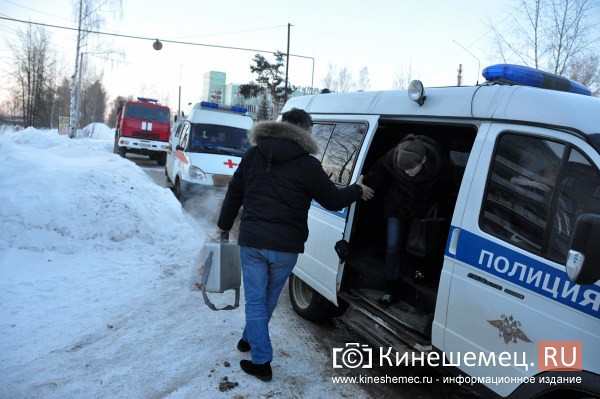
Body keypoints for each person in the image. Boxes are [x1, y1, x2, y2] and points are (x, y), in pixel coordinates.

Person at [216, 108, 374, 381]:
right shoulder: (308, 164)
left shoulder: (254, 154)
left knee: (255, 300)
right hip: (286, 247)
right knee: (267, 298)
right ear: (304, 131)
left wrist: (223, 226)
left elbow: (234, 192)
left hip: (252, 242)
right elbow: (333, 200)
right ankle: (255, 349)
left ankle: (258, 354)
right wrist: (357, 190)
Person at [362, 134, 445, 305]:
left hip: (423, 211)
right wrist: (364, 186)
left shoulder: (438, 163)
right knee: (393, 245)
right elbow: (378, 170)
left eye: (411, 169)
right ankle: (392, 288)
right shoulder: (393, 157)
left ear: (423, 160)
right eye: (403, 170)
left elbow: (448, 187)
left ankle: (420, 272)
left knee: (421, 246)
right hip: (397, 207)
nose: (407, 173)